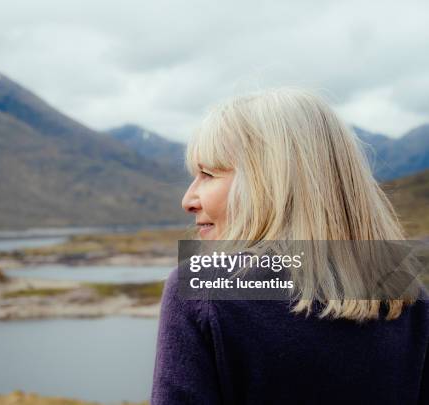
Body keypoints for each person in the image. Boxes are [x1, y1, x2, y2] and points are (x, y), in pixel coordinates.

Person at [150, 87, 429, 404]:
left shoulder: (205, 287)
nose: (188, 200)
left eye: (207, 174)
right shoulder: (407, 293)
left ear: (268, 182)